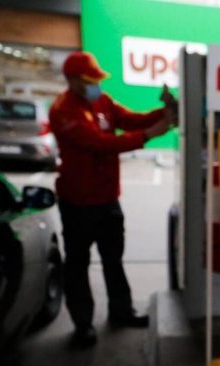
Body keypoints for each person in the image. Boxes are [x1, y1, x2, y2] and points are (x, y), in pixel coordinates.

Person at [49, 51, 175, 347]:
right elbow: (100, 144)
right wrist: (148, 135)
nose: (96, 85)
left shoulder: (102, 101)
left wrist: (164, 112)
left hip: (107, 199)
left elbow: (129, 119)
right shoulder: (64, 111)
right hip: (78, 203)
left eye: (96, 79)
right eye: (89, 80)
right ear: (71, 80)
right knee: (77, 264)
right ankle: (83, 324)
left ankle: (121, 311)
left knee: (113, 258)